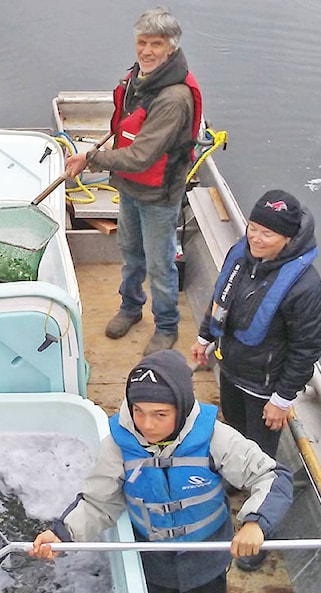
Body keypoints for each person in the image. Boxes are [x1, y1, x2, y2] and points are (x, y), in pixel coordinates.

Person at [31, 350, 294, 593]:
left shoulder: (215, 438)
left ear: (180, 408)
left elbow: (272, 476)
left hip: (205, 561)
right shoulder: (118, 445)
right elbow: (98, 502)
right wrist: (62, 533)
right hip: (148, 561)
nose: (146, 424)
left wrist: (255, 523)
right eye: (138, 411)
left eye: (160, 415)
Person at [63, 7, 202, 355]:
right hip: (129, 187)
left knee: (160, 263)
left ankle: (167, 326)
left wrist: (89, 158)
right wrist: (100, 152)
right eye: (142, 42)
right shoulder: (137, 81)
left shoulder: (173, 98)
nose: (147, 50)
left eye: (156, 43)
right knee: (129, 252)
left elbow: (141, 156)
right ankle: (130, 308)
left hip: (159, 194)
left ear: (171, 47)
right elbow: (124, 131)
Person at [190, 189, 321, 460]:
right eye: (253, 228)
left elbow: (307, 348)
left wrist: (282, 399)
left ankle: (255, 490)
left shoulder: (305, 287)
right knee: (234, 431)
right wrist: (204, 337)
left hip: (263, 388)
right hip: (229, 369)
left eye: (267, 234)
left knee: (259, 452)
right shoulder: (241, 255)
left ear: (288, 239)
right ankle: (232, 473)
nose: (256, 238)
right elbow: (221, 299)